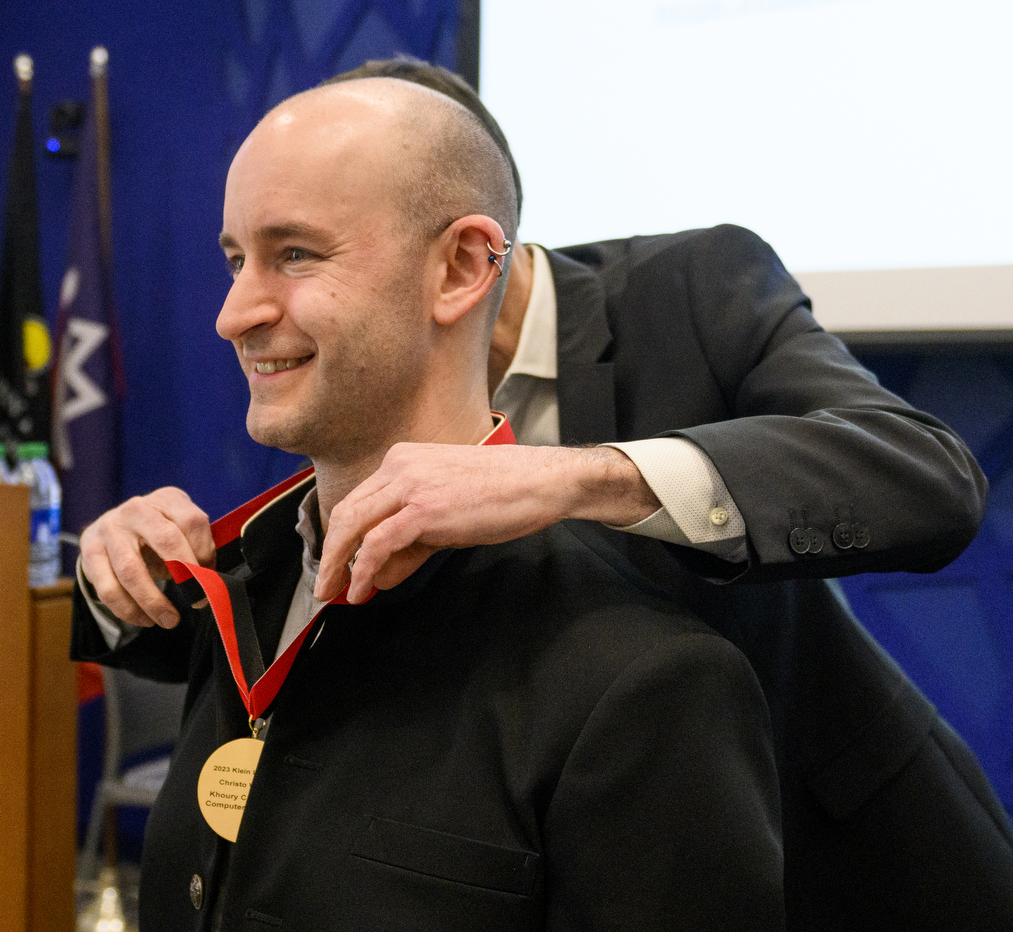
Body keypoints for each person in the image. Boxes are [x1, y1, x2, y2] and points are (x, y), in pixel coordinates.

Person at [308, 58, 1013, 931]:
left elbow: (928, 474)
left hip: (850, 859)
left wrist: (580, 476)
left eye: (308, 248)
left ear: (460, 247)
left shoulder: (692, 289)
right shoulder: (352, 370)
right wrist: (146, 565)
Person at [73, 78, 785, 929]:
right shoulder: (239, 590)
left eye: (295, 253)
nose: (233, 314)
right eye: (236, 259)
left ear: (456, 269)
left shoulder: (644, 682)